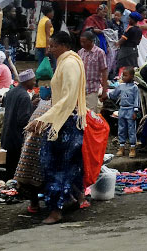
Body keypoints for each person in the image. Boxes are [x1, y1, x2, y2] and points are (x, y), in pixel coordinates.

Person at [27, 30, 88, 225]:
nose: (50, 49)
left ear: (63, 46)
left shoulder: (69, 63)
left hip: (66, 123)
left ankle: (56, 210)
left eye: (52, 45)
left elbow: (68, 98)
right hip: (63, 120)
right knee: (67, 167)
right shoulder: (65, 62)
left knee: (55, 166)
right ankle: (71, 200)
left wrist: (44, 118)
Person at [14, 79, 54, 215]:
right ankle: (56, 207)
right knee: (43, 175)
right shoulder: (56, 108)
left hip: (28, 145)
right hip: (40, 148)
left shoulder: (42, 106)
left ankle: (34, 204)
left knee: (28, 175)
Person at [1, 69, 38, 179]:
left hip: (6, 136)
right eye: (33, 80)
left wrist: (30, 105)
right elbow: (23, 120)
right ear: (27, 81)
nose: (34, 83)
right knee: (15, 171)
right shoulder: (24, 96)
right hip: (16, 139)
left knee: (9, 169)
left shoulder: (11, 92)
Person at [109, 66, 140, 157]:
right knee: (121, 128)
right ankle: (121, 147)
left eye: (126, 75)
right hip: (122, 109)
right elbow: (113, 94)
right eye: (123, 75)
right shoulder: (120, 86)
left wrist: (135, 111)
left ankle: (132, 147)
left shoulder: (135, 87)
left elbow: (136, 100)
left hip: (130, 109)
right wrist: (106, 94)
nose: (123, 77)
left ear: (132, 76)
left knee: (131, 129)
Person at [77, 31, 108, 114]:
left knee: (91, 114)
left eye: (84, 42)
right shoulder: (80, 52)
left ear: (91, 41)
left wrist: (105, 90)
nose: (82, 44)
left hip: (92, 89)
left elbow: (104, 71)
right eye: (81, 42)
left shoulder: (99, 53)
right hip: (80, 89)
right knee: (80, 114)